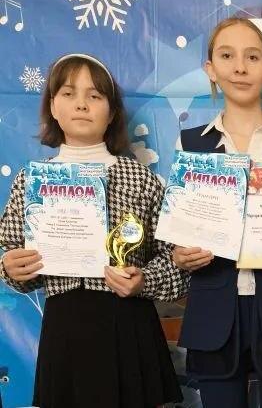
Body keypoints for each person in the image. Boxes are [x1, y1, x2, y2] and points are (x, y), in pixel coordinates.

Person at [0, 53, 184, 408]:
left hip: (129, 324)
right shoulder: (33, 180)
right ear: (52, 107)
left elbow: (175, 262)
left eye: (95, 95)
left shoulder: (141, 179)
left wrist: (143, 280)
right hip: (64, 326)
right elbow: (11, 256)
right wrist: (11, 269)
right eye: (69, 93)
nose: (82, 104)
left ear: (112, 112)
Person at [171, 17, 262, 408]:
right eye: (227, 56)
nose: (240, 67)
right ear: (211, 69)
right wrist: (180, 255)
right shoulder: (188, 146)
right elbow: (180, 230)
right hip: (213, 311)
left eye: (252, 57)